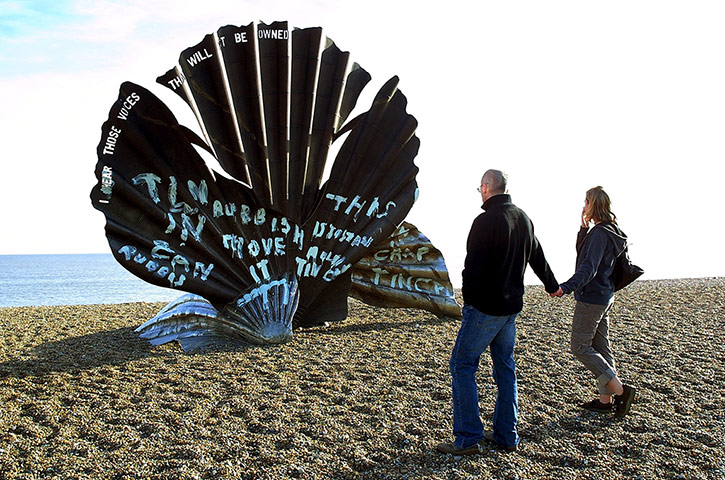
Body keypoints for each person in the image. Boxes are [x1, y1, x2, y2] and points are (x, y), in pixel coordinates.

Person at [437, 169, 559, 455]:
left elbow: (472, 267)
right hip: (510, 309)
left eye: (480, 187)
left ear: (487, 187)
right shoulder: (523, 218)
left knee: (462, 364)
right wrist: (552, 285)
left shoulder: (485, 220)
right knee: (504, 366)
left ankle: (468, 437)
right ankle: (506, 434)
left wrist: (468, 302)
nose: (479, 191)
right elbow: (537, 255)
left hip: (485, 309)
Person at [550, 186, 636, 418]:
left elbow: (588, 267)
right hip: (605, 295)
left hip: (592, 298)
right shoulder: (609, 230)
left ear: (593, 204)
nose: (583, 206)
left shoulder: (600, 234)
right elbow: (584, 255)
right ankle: (605, 401)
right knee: (601, 348)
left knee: (579, 347)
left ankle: (621, 391)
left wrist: (565, 287)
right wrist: (582, 229)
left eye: (586, 202)